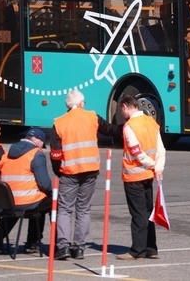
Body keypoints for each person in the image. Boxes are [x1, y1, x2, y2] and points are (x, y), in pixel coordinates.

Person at [50, 89, 122, 260]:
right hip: (90, 170)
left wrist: (58, 171)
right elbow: (111, 130)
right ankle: (79, 247)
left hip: (69, 172)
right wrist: (128, 126)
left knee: (65, 210)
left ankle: (63, 246)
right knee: (83, 209)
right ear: (81, 103)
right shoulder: (92, 117)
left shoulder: (59, 123)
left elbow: (55, 153)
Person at [0, 128, 52, 254]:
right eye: (42, 144)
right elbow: (45, 183)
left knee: (23, 204)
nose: (42, 148)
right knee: (51, 200)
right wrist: (51, 191)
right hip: (27, 201)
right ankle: (40, 242)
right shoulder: (36, 154)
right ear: (38, 140)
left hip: (7, 200)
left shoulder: (7, 154)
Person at [115, 94, 166, 261]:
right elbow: (161, 149)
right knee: (148, 212)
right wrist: (158, 167)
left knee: (138, 214)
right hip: (148, 176)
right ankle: (151, 248)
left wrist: (151, 164)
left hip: (134, 176)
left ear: (124, 107)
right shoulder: (151, 122)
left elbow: (137, 152)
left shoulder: (129, 126)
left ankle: (137, 250)